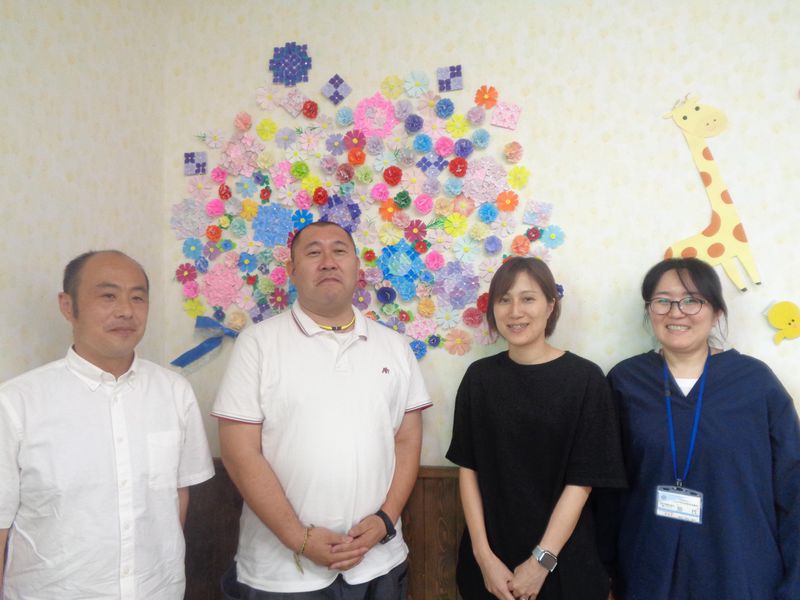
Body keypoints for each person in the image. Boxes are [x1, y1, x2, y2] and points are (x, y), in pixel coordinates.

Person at [212, 221, 431, 599]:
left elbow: (407, 440)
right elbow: (238, 451)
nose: (328, 261)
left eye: (339, 251)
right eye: (313, 252)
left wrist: (385, 519)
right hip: (282, 570)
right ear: (292, 270)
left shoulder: (395, 347)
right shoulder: (258, 343)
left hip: (378, 560)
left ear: (357, 267)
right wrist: (297, 537)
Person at [0, 250, 214, 599]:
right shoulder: (15, 403)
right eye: (108, 296)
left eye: (137, 297)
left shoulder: (175, 392)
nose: (126, 311)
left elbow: (177, 493)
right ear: (68, 306)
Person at [607, 257, 800, 600]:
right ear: (649, 310)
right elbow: (605, 492)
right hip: (648, 571)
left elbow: (793, 487)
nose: (676, 312)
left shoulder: (755, 383)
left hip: (740, 572)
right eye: (663, 300)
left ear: (717, 313)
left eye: (692, 300)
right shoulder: (625, 381)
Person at [446, 257, 626, 600]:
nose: (515, 311)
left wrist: (541, 562)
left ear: (550, 306)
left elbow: (582, 482)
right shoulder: (479, 378)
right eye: (504, 299)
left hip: (564, 563)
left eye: (528, 298)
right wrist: (483, 557)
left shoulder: (586, 379)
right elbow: (468, 469)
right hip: (490, 565)